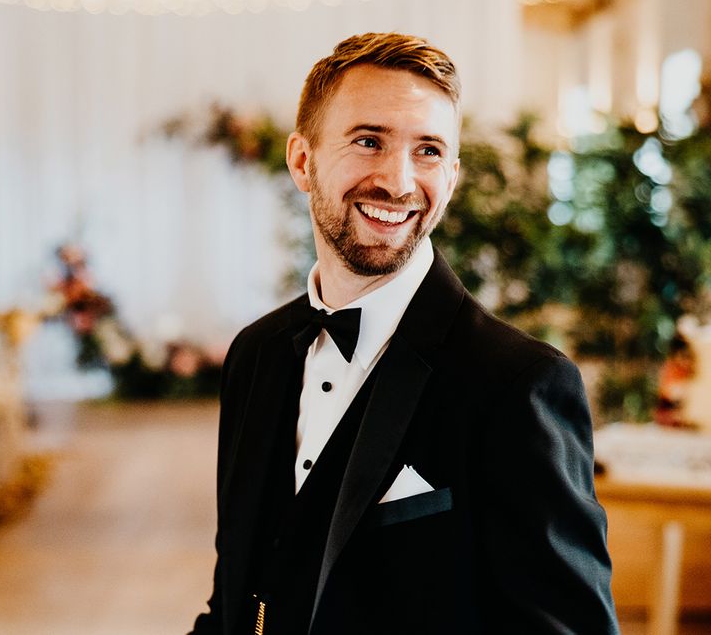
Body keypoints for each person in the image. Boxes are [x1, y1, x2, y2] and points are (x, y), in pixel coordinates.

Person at [189, 32, 618, 634]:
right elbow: (236, 604)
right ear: (302, 161)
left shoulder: (519, 384)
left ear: (453, 175)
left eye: (429, 151)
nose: (398, 181)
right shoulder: (255, 354)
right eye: (369, 141)